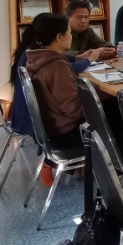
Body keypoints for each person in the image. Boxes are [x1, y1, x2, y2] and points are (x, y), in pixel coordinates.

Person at [23, 13, 85, 149]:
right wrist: (97, 99)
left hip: (51, 130)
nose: (71, 36)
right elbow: (73, 110)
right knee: (114, 110)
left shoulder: (35, 58)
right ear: (59, 37)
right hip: (67, 132)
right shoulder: (57, 66)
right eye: (69, 32)